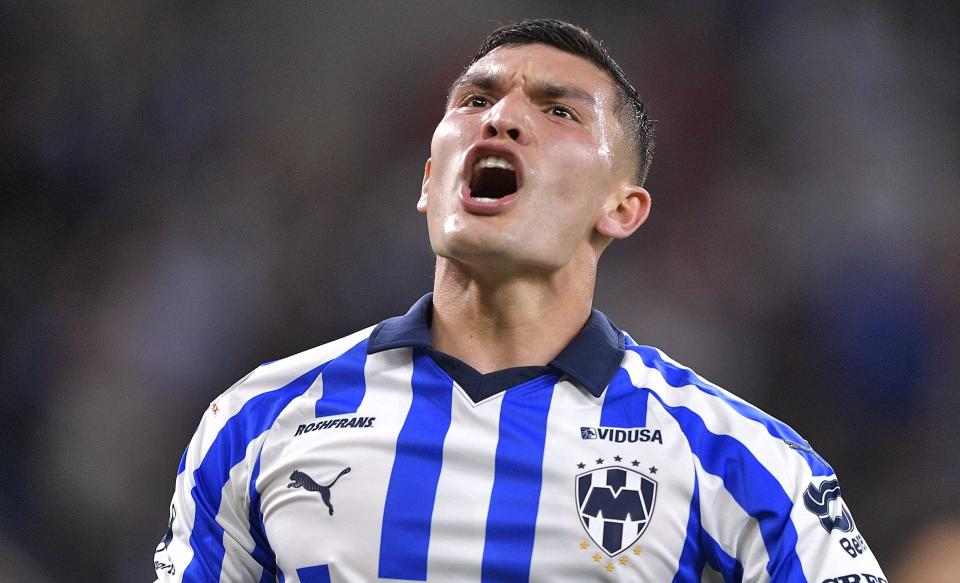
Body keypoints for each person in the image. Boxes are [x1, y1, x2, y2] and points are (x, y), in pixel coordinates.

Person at [154, 19, 886, 582]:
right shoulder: (256, 422)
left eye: (559, 111)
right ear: (427, 180)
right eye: (475, 99)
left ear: (622, 209)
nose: (499, 119)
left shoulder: (739, 463)